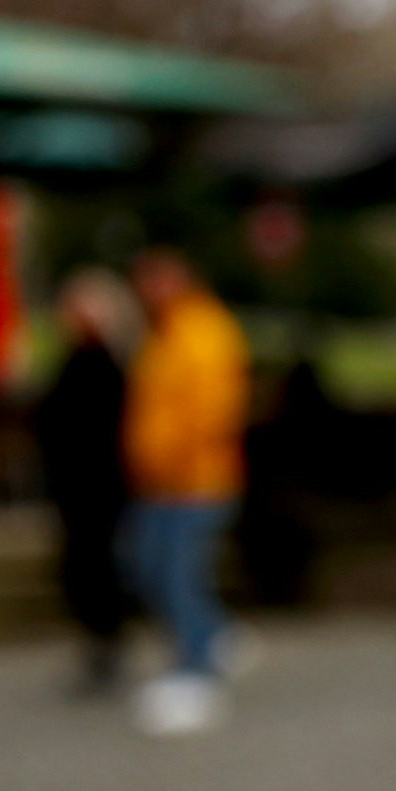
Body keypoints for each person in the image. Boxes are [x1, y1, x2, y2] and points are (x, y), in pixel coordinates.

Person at [118, 248, 250, 736]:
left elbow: (214, 408)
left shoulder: (204, 331)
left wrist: (175, 457)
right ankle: (211, 635)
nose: (148, 290)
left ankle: (197, 674)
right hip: (159, 483)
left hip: (194, 482)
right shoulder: (162, 333)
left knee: (176, 574)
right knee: (146, 566)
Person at [32, 269, 134, 693]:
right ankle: (99, 646)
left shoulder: (102, 364)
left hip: (97, 486)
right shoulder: (81, 360)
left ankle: (106, 648)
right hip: (80, 486)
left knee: (96, 567)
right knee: (85, 566)